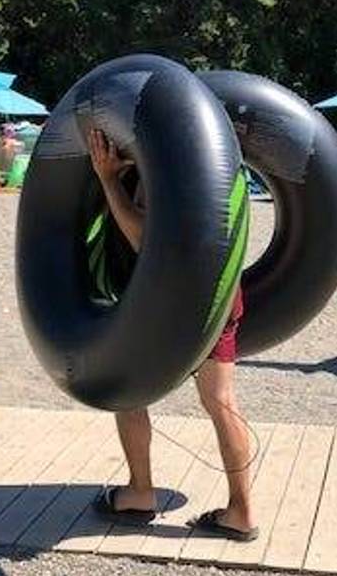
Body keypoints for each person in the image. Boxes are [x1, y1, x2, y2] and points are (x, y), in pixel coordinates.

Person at [85, 128, 258, 542]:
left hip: (167, 301)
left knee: (128, 388)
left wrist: (109, 179)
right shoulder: (216, 159)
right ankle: (241, 512)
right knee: (221, 401)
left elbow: (149, 239)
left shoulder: (169, 163)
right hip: (220, 290)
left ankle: (139, 493)